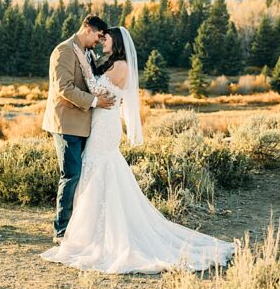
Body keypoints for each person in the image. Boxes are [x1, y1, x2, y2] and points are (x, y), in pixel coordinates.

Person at [40, 26, 236, 273]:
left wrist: (83, 61)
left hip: (104, 126)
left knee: (99, 169)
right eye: (100, 37)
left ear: (117, 41)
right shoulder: (109, 63)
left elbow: (96, 90)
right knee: (93, 171)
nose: (102, 42)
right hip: (98, 123)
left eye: (106, 38)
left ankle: (98, 234)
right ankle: (85, 230)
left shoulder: (121, 66)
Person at [41, 15, 115, 243]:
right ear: (87, 29)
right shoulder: (63, 51)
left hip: (84, 124)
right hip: (67, 123)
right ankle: (61, 231)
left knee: (81, 176)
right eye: (98, 36)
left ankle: (78, 227)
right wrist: (95, 102)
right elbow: (64, 88)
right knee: (71, 175)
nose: (99, 41)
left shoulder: (88, 54)